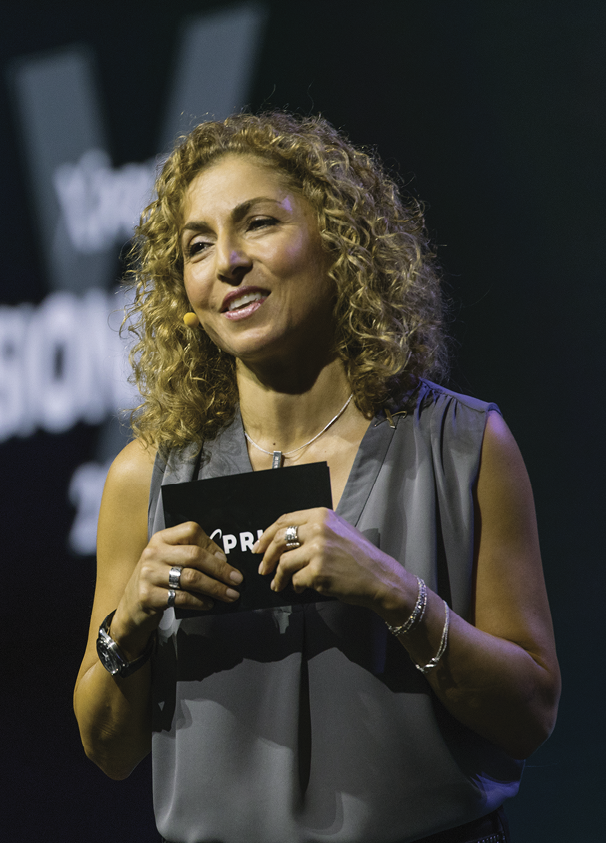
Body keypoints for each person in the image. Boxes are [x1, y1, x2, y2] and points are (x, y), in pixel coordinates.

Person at [73, 112, 560, 843]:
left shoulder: (463, 444)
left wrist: (394, 591)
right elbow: (108, 750)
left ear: (339, 239)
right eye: (197, 246)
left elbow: (528, 717)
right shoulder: (143, 476)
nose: (226, 262)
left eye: (258, 223)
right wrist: (131, 623)